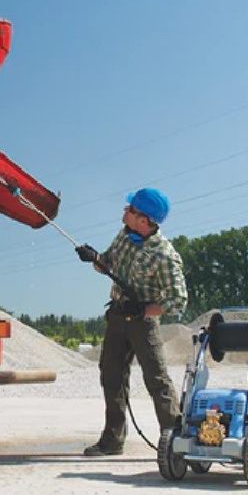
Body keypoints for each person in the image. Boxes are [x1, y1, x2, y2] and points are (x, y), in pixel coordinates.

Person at [75, 187, 187, 456]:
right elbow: (108, 264)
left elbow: (178, 300)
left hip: (142, 323)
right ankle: (112, 440)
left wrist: (146, 310)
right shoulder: (125, 236)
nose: (124, 211)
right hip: (116, 315)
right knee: (111, 376)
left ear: (144, 219)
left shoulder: (164, 255)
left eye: (130, 209)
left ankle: (174, 441)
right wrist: (95, 259)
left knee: (156, 379)